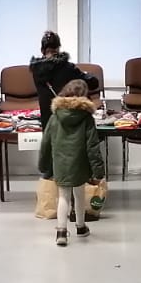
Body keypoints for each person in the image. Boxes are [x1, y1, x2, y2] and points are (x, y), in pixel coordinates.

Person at [37, 78, 105, 247]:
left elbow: (46, 143)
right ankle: (80, 227)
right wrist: (98, 171)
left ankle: (61, 232)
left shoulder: (55, 116)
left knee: (63, 197)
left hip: (60, 163)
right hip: (80, 163)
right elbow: (93, 146)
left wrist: (44, 165)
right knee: (79, 195)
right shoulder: (87, 118)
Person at [29, 31, 97, 122]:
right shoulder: (68, 68)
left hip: (48, 124)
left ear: (42, 50)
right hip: (68, 122)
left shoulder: (36, 71)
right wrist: (86, 73)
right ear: (58, 48)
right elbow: (94, 83)